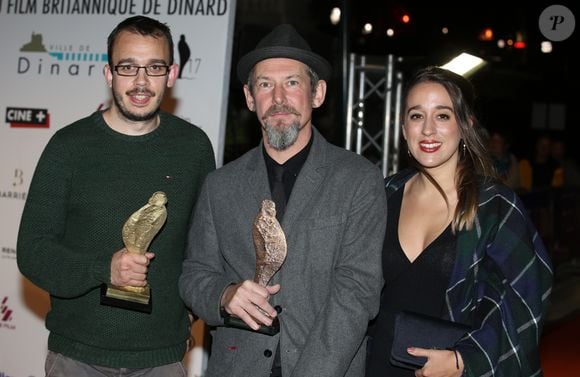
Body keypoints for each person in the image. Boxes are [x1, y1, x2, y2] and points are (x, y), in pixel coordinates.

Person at [179, 24, 387, 377]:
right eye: (264, 84)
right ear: (249, 98)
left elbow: (356, 291)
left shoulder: (357, 179)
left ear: (317, 93)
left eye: (291, 82)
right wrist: (224, 294)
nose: (278, 98)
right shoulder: (220, 185)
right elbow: (194, 274)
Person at [17, 16, 215, 376]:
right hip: (77, 357)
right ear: (109, 74)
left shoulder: (194, 148)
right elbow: (33, 252)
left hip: (161, 359)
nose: (141, 81)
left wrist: (188, 313)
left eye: (154, 67)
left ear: (171, 74)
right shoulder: (68, 147)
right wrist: (104, 269)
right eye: (128, 67)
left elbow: (203, 246)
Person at [365, 67, 553, 377]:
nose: (427, 130)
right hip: (377, 366)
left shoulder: (494, 206)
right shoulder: (383, 194)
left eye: (442, 116)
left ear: (465, 126)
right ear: (403, 128)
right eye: (416, 116)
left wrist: (464, 360)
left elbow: (528, 301)